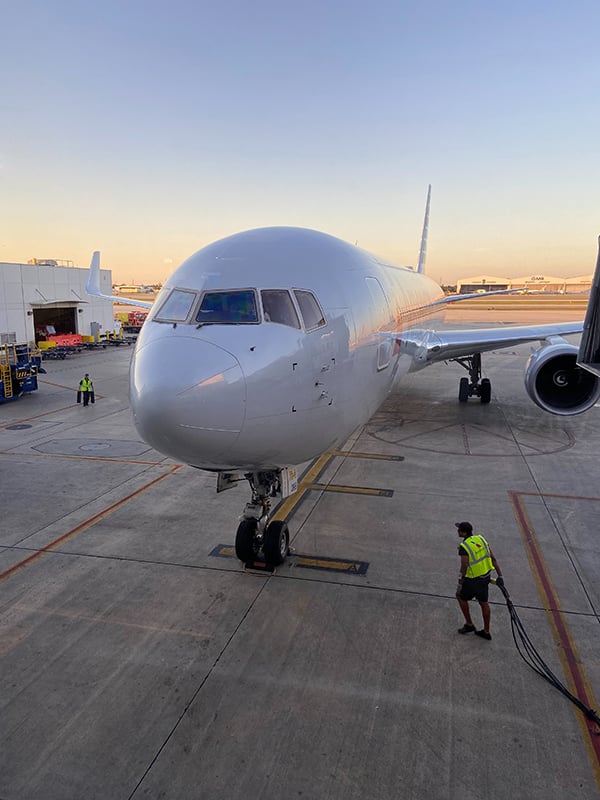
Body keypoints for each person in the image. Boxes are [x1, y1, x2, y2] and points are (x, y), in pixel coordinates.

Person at [455, 521, 503, 640]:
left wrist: (461, 581)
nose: (457, 531)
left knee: (460, 596)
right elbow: (493, 558)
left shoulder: (464, 547)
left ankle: (469, 624)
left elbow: (464, 566)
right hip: (485, 577)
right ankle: (486, 631)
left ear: (463, 533)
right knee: (483, 603)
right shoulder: (481, 539)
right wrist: (500, 575)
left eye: (459, 530)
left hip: (472, 580)